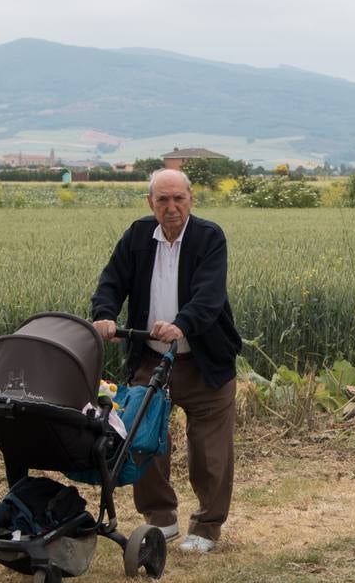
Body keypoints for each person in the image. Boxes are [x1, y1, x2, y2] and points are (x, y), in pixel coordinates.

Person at [91, 168, 243, 554]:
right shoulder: (138, 236)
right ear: (151, 203)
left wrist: (181, 325)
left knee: (210, 450)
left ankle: (207, 527)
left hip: (204, 360)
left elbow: (209, 297)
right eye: (163, 200)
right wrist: (105, 314)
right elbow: (112, 281)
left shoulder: (209, 237)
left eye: (179, 198)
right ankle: (161, 519)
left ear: (191, 199)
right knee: (142, 437)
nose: (171, 208)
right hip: (152, 357)